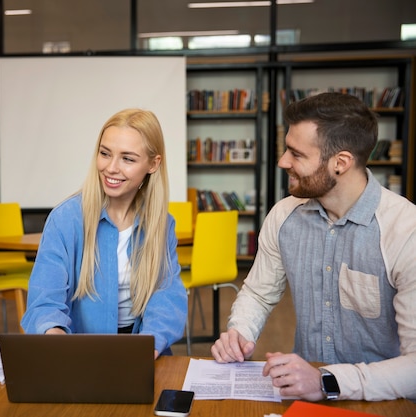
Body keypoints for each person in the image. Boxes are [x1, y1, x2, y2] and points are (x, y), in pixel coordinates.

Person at [211, 92, 416, 401]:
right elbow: (257, 292)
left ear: (341, 163)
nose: (282, 161)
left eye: (297, 154)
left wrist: (327, 381)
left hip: (383, 401)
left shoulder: (406, 231)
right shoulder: (284, 215)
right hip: (304, 394)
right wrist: (241, 332)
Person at [21, 108, 188, 358]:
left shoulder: (161, 224)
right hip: (78, 353)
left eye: (127, 159)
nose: (111, 168)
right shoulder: (65, 220)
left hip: (143, 350)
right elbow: (44, 300)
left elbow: (166, 300)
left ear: (153, 164)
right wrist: (57, 340)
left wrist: (148, 349)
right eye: (105, 154)